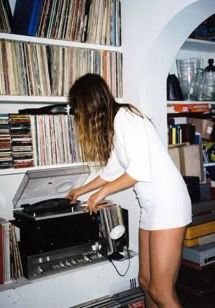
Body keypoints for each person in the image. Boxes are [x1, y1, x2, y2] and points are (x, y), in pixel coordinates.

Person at [66, 73, 192, 308]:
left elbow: (138, 171)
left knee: (161, 290)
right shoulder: (116, 123)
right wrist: (81, 190)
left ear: (89, 104)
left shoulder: (126, 117)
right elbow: (112, 171)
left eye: (78, 109)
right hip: (152, 207)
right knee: (145, 282)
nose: (78, 115)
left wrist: (101, 194)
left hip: (169, 204)